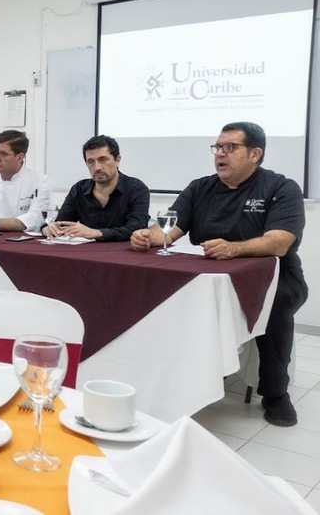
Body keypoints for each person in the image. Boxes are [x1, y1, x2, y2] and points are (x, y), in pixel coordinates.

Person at [130, 122, 308, 427]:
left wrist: (234, 249)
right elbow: (169, 231)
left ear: (255, 154)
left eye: (230, 147)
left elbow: (280, 242)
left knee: (275, 305)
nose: (220, 154)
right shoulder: (200, 187)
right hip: (209, 274)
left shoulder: (281, 188)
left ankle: (276, 393)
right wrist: (147, 235)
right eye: (217, 148)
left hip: (275, 278)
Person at [44, 135, 150, 241]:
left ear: (117, 160)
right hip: (85, 253)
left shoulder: (136, 189)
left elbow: (136, 228)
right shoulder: (79, 189)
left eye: (103, 160)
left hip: (124, 253)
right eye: (91, 162)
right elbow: (61, 224)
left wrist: (96, 233)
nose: (97, 167)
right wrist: (49, 229)